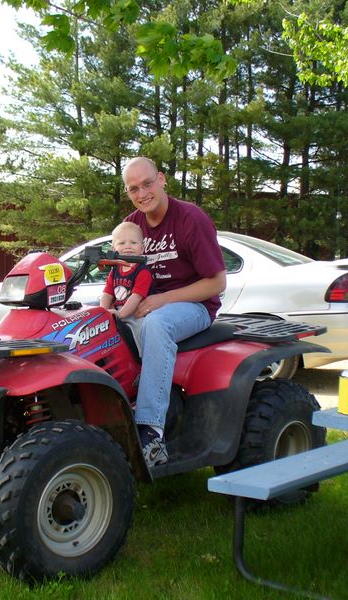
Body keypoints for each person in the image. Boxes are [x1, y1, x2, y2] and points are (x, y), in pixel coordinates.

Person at [121, 156, 226, 468]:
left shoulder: (190, 219)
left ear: (162, 180)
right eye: (133, 188)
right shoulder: (133, 225)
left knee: (156, 325)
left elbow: (217, 282)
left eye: (147, 184)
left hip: (195, 306)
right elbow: (122, 273)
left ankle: (151, 434)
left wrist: (164, 300)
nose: (142, 193)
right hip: (150, 306)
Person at [99, 221, 153, 320]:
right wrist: (102, 312)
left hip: (136, 314)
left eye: (133, 242)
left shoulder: (142, 271)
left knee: (136, 331)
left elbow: (136, 297)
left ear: (142, 248)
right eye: (122, 243)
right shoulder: (115, 270)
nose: (128, 246)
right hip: (118, 312)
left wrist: (120, 314)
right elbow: (107, 294)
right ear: (113, 248)